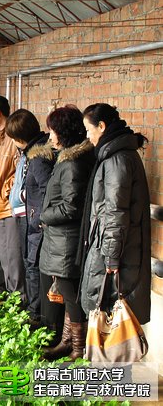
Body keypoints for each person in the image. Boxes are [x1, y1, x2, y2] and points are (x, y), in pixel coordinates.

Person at [79, 103, 151, 338]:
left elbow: (115, 212)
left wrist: (111, 256)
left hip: (116, 250)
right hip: (115, 246)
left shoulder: (116, 160)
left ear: (101, 126)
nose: (88, 136)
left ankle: (111, 360)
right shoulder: (115, 155)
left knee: (110, 316)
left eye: (89, 130)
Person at [38, 105, 94, 361]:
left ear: (64, 133)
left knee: (71, 296)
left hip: (66, 241)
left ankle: (78, 349)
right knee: (67, 293)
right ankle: (66, 341)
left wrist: (45, 215)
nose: (50, 137)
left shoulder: (72, 164)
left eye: (52, 132)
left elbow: (71, 207)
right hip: (60, 240)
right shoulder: (67, 159)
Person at [6, 109, 53, 325]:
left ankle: (36, 315)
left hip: (35, 221)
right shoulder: (30, 152)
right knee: (29, 263)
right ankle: (33, 309)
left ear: (20, 137)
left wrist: (37, 217)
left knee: (32, 266)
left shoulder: (38, 157)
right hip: (29, 217)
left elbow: (46, 191)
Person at [0, 95, 24, 299]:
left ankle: (18, 301)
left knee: (13, 258)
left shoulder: (12, 138)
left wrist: (7, 191)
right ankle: (11, 297)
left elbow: (20, 171)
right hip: (0, 207)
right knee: (6, 257)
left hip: (10, 207)